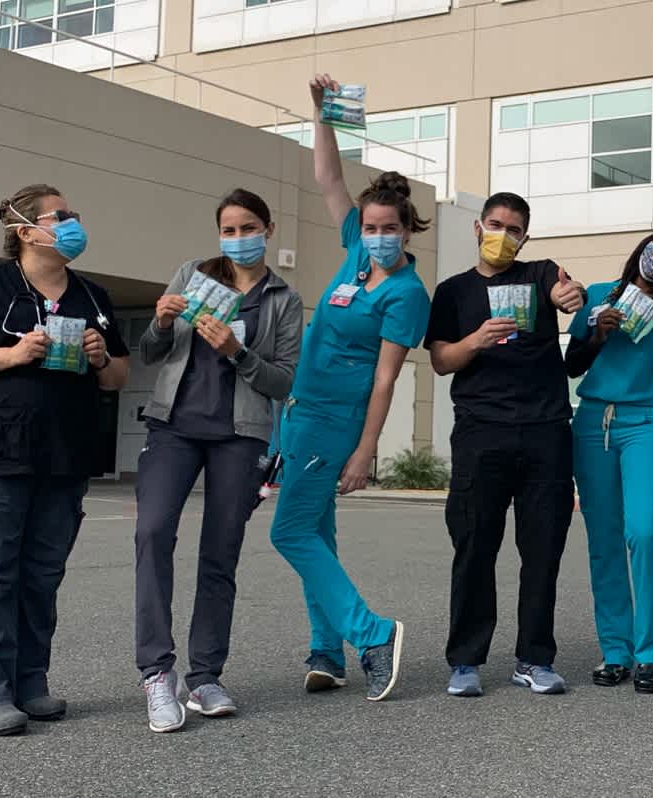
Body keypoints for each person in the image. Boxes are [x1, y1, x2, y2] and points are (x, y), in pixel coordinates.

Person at [0, 184, 129, 736]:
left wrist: (99, 358)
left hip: (64, 459)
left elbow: (118, 376)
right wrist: (11, 353)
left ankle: (29, 682)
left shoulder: (92, 295)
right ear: (24, 229)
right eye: (61, 215)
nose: (74, 223)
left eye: (76, 213)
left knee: (40, 577)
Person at [267, 74, 432, 702]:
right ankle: (325, 652)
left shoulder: (406, 294)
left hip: (335, 420)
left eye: (389, 227)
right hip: (302, 412)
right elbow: (329, 180)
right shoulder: (355, 259)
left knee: (289, 532)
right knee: (316, 532)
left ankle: (371, 632)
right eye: (370, 227)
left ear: (407, 229)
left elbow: (387, 379)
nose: (378, 236)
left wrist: (366, 451)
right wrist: (322, 117)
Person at [133, 189, 304, 733]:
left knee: (219, 554)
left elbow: (284, 379)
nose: (238, 239)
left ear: (268, 230)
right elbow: (150, 352)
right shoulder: (192, 273)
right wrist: (161, 321)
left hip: (241, 435)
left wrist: (237, 351)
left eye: (248, 227)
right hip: (174, 427)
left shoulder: (283, 298)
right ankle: (157, 672)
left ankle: (204, 675)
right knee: (153, 533)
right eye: (228, 229)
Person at [425, 192, 587, 697]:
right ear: (477, 228)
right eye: (495, 225)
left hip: (546, 431)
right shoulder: (452, 292)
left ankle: (534, 659)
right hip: (481, 431)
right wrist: (475, 341)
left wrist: (568, 296)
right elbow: (441, 360)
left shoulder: (539, 275)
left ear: (525, 236)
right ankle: (466, 661)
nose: (503, 236)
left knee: (543, 550)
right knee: (474, 546)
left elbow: (567, 289)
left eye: (514, 229)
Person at [564, 229, 653, 694]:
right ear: (647, 245)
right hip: (590, 423)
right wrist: (596, 332)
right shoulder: (602, 294)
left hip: (644, 424)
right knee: (603, 540)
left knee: (644, 531)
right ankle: (615, 651)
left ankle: (649, 653)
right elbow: (572, 363)